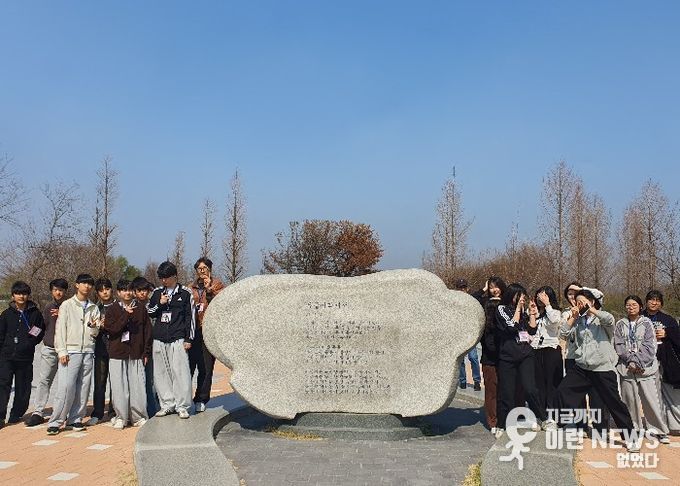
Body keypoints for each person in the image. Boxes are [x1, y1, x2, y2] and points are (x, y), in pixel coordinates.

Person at [553, 289, 639, 451]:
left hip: (602, 369)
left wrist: (591, 309)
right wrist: (573, 317)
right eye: (577, 302)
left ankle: (630, 438)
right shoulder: (578, 320)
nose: (579, 304)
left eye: (582, 301)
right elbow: (563, 333)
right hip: (582, 367)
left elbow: (609, 319)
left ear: (592, 301)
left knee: (614, 403)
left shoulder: (602, 319)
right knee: (563, 390)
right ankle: (557, 421)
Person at [46, 274, 100, 435]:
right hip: (71, 351)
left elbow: (95, 332)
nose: (87, 287)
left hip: (88, 351)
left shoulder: (94, 307)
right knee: (66, 387)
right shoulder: (67, 305)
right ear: (77, 285)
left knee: (83, 387)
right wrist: (62, 350)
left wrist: (94, 327)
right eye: (84, 283)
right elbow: (60, 329)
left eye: (89, 284)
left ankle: (75, 418)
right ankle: (56, 421)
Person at [495, 283, 551, 436]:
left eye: (523, 296)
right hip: (508, 357)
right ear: (512, 295)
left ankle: (543, 418)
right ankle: (502, 424)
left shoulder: (523, 312)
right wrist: (519, 309)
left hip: (525, 354)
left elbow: (531, 330)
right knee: (507, 392)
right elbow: (511, 326)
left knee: (530, 388)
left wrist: (532, 313)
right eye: (519, 296)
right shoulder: (502, 309)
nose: (522, 299)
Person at [614, 295, 670, 444]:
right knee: (629, 402)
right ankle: (634, 429)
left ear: (640, 307)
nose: (631, 307)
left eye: (634, 304)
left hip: (646, 369)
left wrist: (638, 362)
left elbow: (650, 345)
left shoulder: (646, 323)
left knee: (651, 401)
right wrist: (630, 361)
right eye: (628, 305)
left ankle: (658, 430)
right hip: (627, 369)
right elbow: (619, 345)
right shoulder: (620, 324)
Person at [102, 279, 153, 429]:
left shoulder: (140, 309)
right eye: (124, 290)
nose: (127, 293)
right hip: (117, 353)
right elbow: (112, 330)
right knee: (119, 387)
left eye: (130, 290)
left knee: (138, 387)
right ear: (118, 293)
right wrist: (125, 314)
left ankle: (138, 417)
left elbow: (147, 332)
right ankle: (121, 417)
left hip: (136, 353)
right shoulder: (112, 310)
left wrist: (146, 352)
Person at [561, 282, 610, 435]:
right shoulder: (568, 313)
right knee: (577, 396)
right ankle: (581, 425)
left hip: (594, 361)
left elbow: (599, 296)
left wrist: (584, 297)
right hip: (573, 358)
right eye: (570, 294)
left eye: (575, 294)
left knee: (596, 395)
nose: (573, 297)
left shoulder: (594, 313)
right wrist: (573, 317)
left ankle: (600, 427)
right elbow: (563, 332)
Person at [147, 261, 195, 419]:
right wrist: (160, 304)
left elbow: (190, 317)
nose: (163, 281)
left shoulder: (185, 293)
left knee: (180, 373)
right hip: (159, 338)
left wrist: (189, 338)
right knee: (161, 374)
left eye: (166, 277)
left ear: (174, 276)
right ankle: (167, 404)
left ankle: (183, 406)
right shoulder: (157, 292)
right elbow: (150, 312)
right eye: (161, 278)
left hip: (178, 338)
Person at [0, 281, 45, 428]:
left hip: (25, 357)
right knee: (3, 385)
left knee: (23, 387)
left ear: (28, 295)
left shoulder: (35, 313)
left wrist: (28, 344)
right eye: (18, 293)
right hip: (6, 357)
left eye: (24, 293)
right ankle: (0, 416)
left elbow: (38, 331)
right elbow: (1, 334)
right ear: (13, 295)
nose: (21, 296)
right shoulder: (6, 314)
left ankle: (16, 413)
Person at [25, 278, 68, 426]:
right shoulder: (48, 307)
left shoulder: (70, 306)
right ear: (51, 291)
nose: (58, 292)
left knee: (65, 382)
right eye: (55, 290)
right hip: (49, 348)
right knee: (44, 380)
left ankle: (62, 411)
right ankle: (38, 411)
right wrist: (29, 339)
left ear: (65, 291)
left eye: (61, 290)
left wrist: (63, 314)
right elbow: (41, 326)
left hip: (66, 350)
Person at [188, 257, 225, 412]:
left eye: (205, 268)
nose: (202, 271)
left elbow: (222, 303)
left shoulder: (218, 285)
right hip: (193, 331)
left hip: (208, 331)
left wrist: (210, 290)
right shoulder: (191, 288)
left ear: (210, 269)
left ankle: (201, 399)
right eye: (199, 269)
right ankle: (184, 398)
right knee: (188, 366)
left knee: (206, 367)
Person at [642, 290, 680, 434]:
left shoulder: (668, 319)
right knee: (651, 395)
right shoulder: (640, 317)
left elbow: (678, 339)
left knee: (670, 393)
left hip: (665, 361)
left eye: (657, 300)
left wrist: (667, 333)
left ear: (661, 303)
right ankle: (656, 425)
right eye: (651, 300)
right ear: (646, 301)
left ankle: (675, 425)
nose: (654, 302)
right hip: (645, 361)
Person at [476, 276, 506, 434]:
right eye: (491, 287)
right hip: (489, 357)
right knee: (491, 391)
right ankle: (492, 422)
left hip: (506, 356)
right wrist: (483, 289)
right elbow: (471, 299)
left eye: (497, 286)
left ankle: (503, 419)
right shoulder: (484, 304)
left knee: (504, 390)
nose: (494, 290)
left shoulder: (507, 303)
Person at [88, 278, 116, 425]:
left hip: (116, 349)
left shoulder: (119, 306)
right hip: (100, 349)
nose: (105, 292)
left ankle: (113, 412)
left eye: (107, 289)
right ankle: (97, 413)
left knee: (115, 382)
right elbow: (90, 330)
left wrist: (109, 325)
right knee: (99, 382)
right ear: (97, 293)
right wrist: (94, 326)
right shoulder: (94, 309)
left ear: (112, 289)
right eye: (101, 290)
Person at [532, 286, 564, 410]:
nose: (540, 298)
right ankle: (541, 411)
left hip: (551, 349)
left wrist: (547, 305)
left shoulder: (555, 312)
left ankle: (553, 411)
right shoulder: (535, 312)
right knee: (539, 382)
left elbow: (554, 321)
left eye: (544, 295)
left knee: (552, 382)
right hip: (536, 349)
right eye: (539, 295)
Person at [133, 276, 160, 418]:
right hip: (136, 349)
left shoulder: (152, 306)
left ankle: (152, 409)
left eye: (145, 290)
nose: (142, 293)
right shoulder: (131, 307)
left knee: (151, 380)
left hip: (152, 347)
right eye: (139, 290)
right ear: (134, 292)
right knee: (137, 381)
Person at [455, 279, 482, 391]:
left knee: (473, 357)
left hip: (470, 335)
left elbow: (478, 295)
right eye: (460, 288)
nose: (462, 290)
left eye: (464, 287)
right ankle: (462, 381)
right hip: (459, 334)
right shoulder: (455, 302)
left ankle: (477, 381)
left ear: (467, 288)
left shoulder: (472, 300)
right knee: (460, 360)